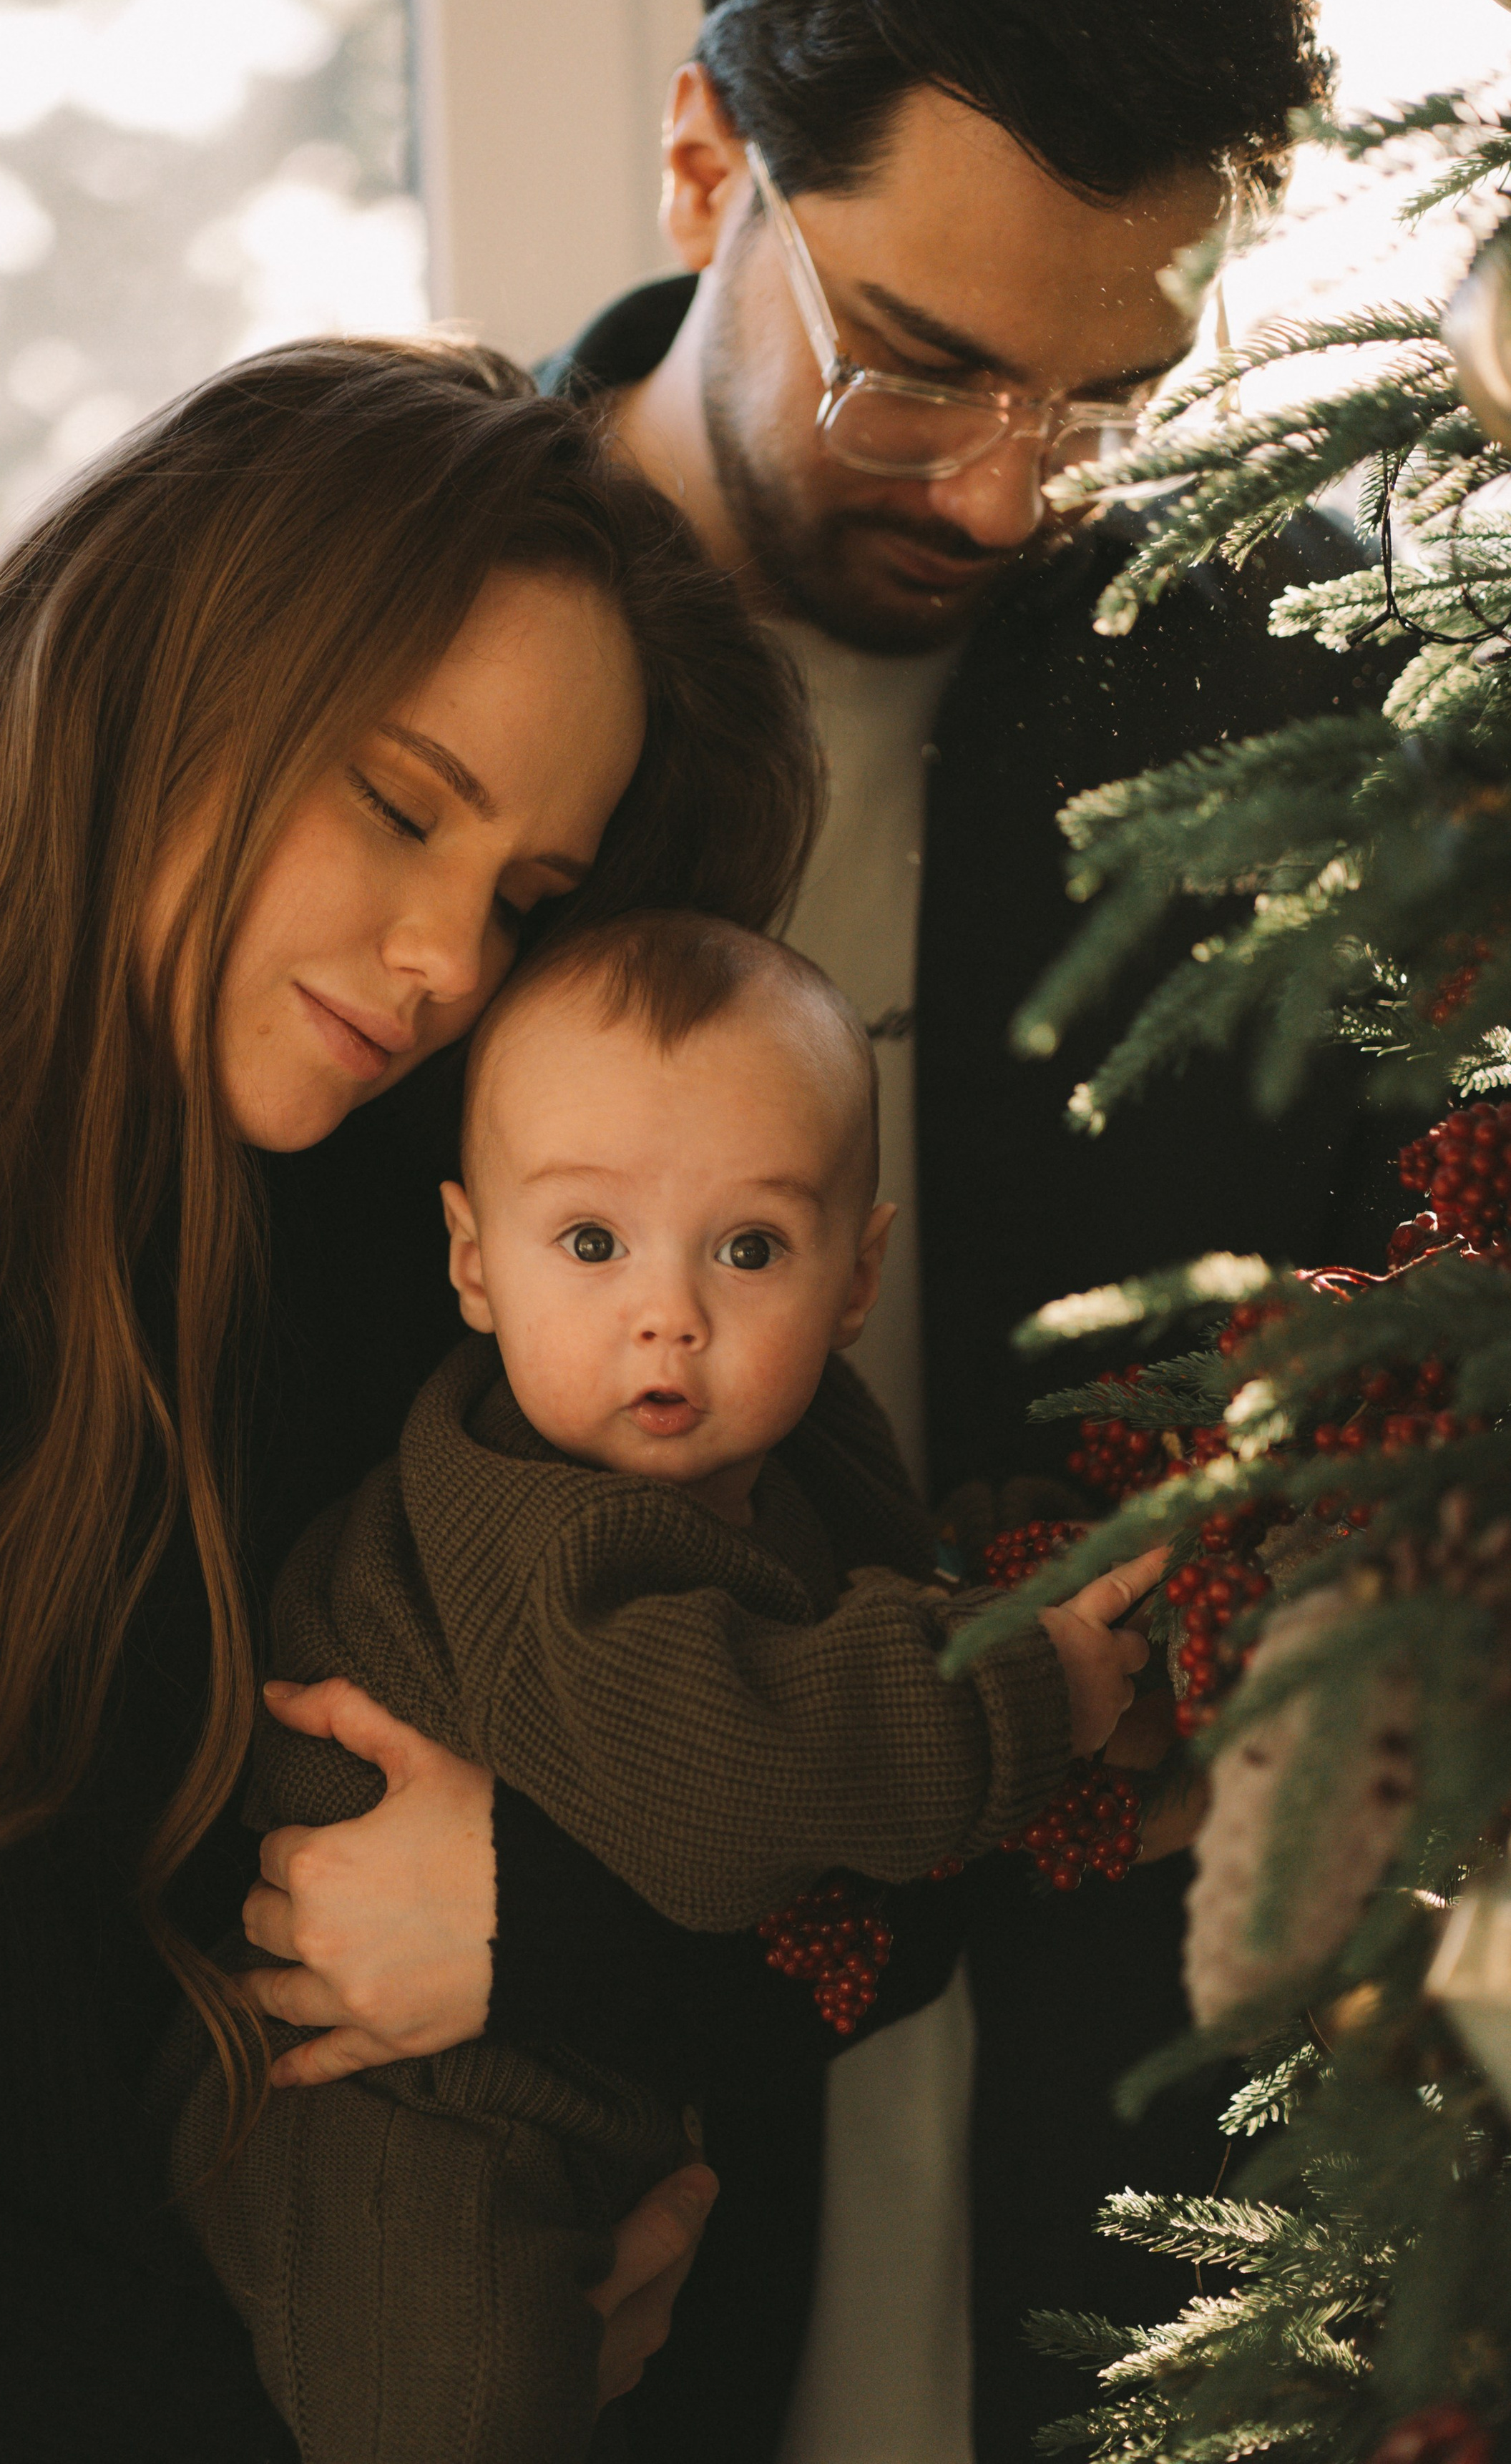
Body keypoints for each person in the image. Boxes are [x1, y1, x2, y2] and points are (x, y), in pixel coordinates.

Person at [500, 0, 1397, 2460]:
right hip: (535, 2206)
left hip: (1151, 2207)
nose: (1016, 494)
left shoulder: (1316, 724)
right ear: (701, 166)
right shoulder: (387, 686)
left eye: (1112, 389)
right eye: (917, 369)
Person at [0, 335, 821, 2462]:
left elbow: (876, 1812)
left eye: (525, 902)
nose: (448, 965)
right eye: (399, 808)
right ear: (155, 663)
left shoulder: (438, 1255)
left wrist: (543, 1959)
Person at [166, 907, 1167, 2463]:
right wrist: (1022, 1693)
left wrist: (1013, 1579)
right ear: (471, 1261)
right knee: (470, 2406)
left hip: (569, 2077)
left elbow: (866, 1607)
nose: (668, 1312)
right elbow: (736, 1793)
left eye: (748, 1248)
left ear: (854, 1276)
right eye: (588, 1243)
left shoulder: (785, 1446)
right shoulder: (548, 1534)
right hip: (392, 2119)